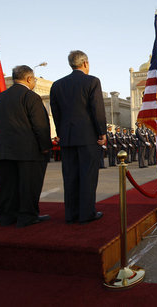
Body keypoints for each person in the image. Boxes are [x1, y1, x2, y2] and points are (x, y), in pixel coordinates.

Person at [50, 50, 107, 224]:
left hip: (67, 138)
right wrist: (102, 133)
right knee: (88, 176)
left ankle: (71, 214)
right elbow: (97, 109)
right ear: (85, 63)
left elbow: (56, 112)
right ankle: (86, 213)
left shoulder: (57, 85)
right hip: (88, 137)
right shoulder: (92, 81)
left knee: (70, 176)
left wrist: (61, 133)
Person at [0, 65, 52, 228]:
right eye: (35, 79)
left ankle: (6, 217)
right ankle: (27, 216)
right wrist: (45, 147)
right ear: (29, 79)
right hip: (28, 152)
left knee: (6, 186)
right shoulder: (31, 97)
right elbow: (40, 125)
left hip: (3, 150)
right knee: (28, 185)